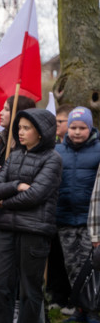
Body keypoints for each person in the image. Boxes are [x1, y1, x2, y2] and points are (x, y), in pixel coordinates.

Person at [0, 109, 62, 323]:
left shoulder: (52, 159)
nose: (20, 132)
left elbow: (36, 195)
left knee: (29, 285)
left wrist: (5, 202)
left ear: (41, 132)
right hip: (6, 228)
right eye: (19, 128)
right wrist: (16, 185)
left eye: (26, 128)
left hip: (34, 230)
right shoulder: (14, 155)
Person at [55, 107, 100, 310]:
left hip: (88, 220)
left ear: (90, 128)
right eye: (73, 127)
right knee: (71, 265)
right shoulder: (58, 151)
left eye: (82, 127)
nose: (77, 132)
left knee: (88, 266)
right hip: (64, 218)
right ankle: (79, 306)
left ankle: (92, 307)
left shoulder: (98, 149)